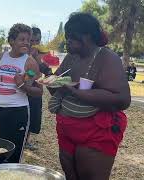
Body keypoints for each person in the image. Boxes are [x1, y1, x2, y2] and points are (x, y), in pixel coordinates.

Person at [48, 13, 130, 180]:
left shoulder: (107, 57)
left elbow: (122, 99)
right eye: (67, 36)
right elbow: (57, 88)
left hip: (96, 130)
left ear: (87, 37)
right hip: (67, 126)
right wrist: (49, 80)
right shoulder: (71, 57)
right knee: (70, 172)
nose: (67, 41)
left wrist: (77, 92)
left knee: (88, 174)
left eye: (72, 37)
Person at [0, 23, 43, 163]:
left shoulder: (30, 63)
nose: (26, 43)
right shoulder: (0, 58)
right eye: (22, 39)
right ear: (11, 41)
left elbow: (39, 91)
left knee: (12, 156)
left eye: (28, 40)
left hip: (17, 113)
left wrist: (22, 85)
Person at [25, 27, 53, 150]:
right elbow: (24, 74)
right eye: (32, 40)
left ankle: (26, 140)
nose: (34, 43)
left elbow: (46, 70)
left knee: (33, 116)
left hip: (36, 88)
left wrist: (41, 62)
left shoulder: (42, 53)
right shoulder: (23, 51)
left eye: (37, 40)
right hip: (23, 88)